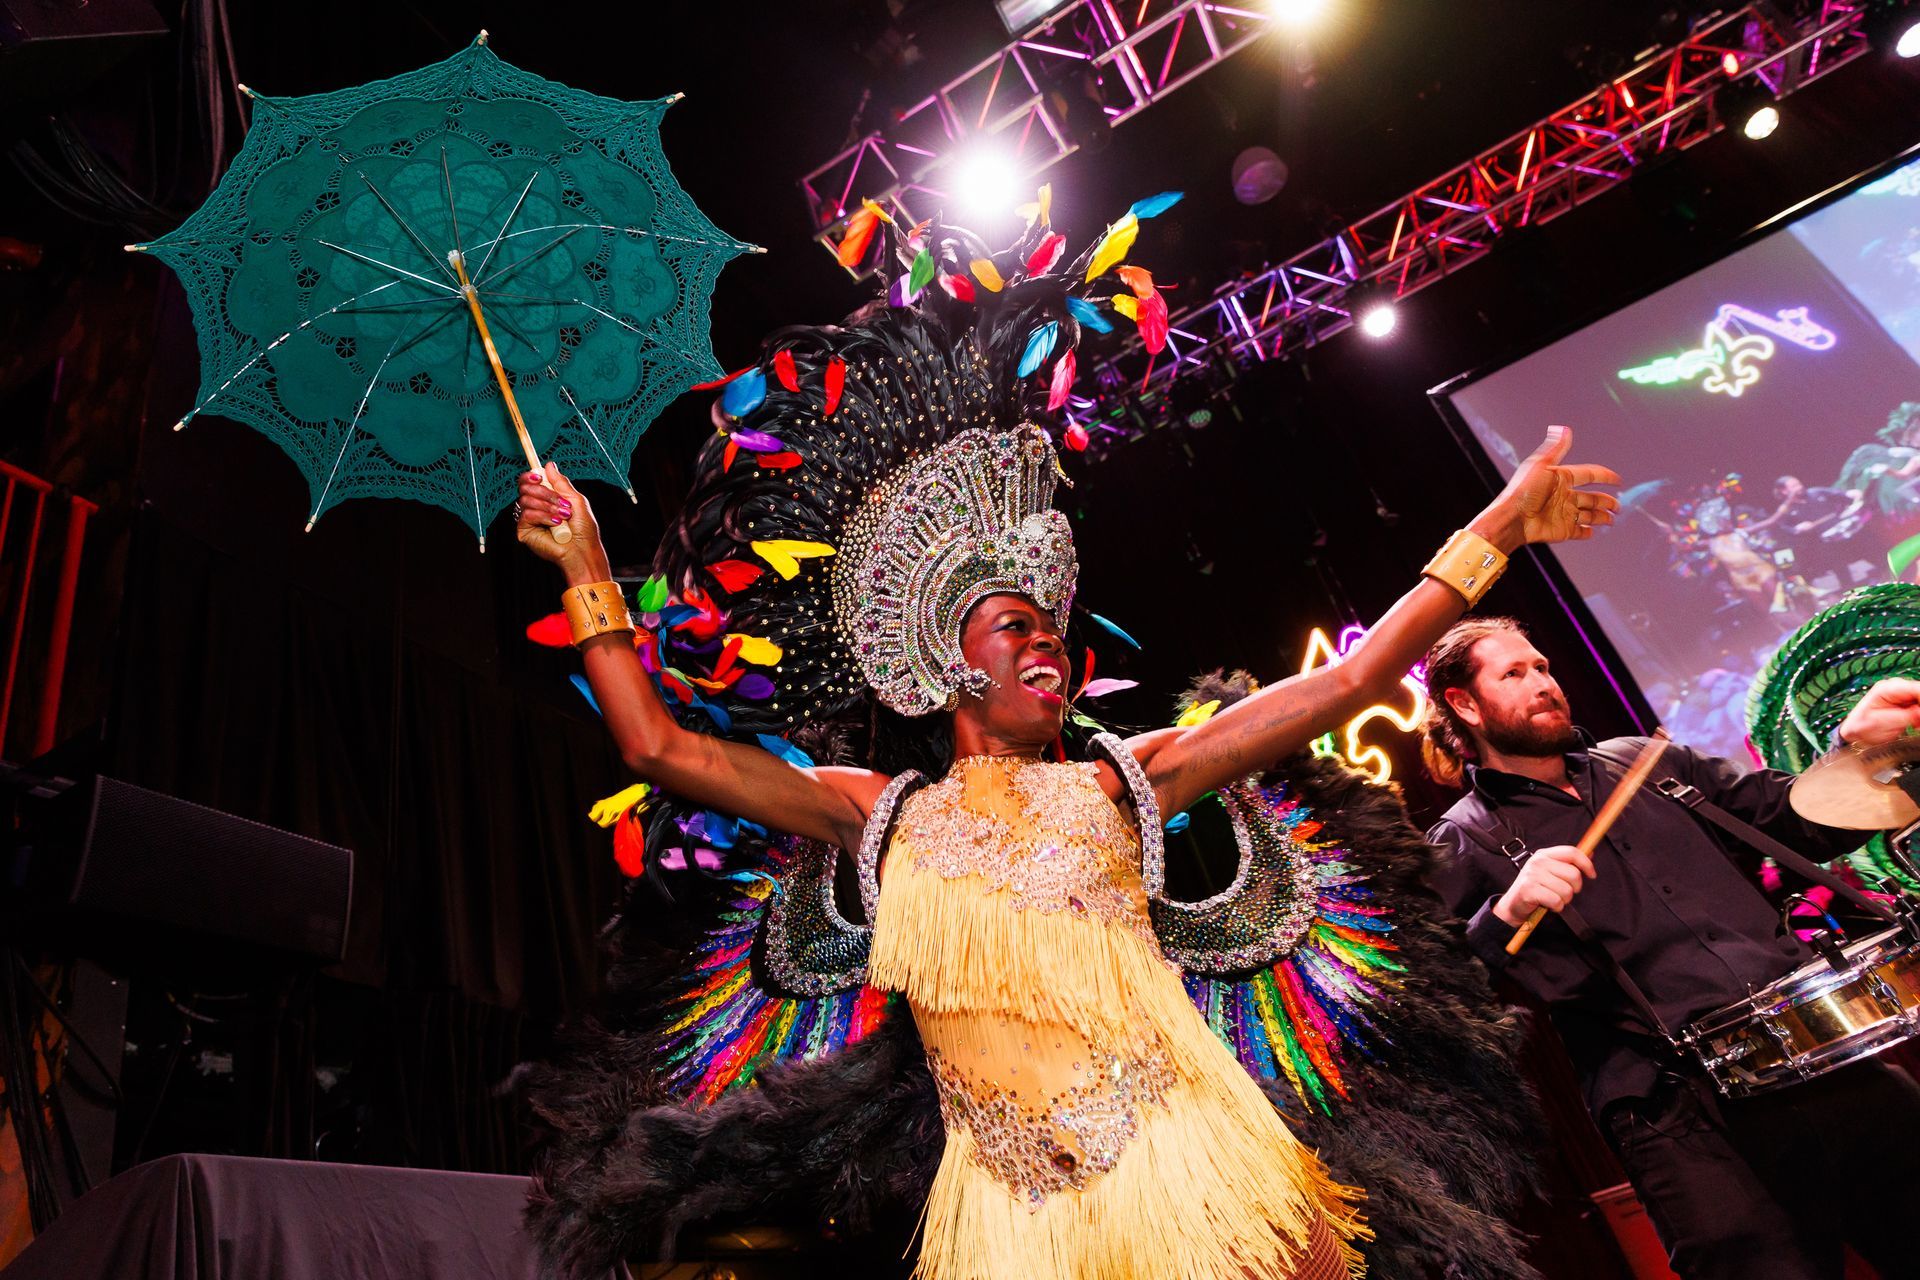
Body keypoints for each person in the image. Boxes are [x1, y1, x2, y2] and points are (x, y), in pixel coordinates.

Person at [509, 212, 1619, 1280]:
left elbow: (1355, 679)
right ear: (948, 661)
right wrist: (586, 567)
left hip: (1199, 1162)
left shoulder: (1127, 781)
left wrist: (1494, 533)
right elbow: (660, 747)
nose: (1048, 642)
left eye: (1053, 628)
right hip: (1012, 1214)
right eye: (1016, 627)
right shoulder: (878, 810)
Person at [1421, 615, 1920, 1280]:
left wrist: (1859, 751)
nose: (1542, 683)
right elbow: (1440, 996)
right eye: (1513, 674)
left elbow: (1795, 822)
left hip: (1819, 1054)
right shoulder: (1460, 843)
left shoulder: (1649, 763)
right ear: (1464, 703)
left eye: (1542, 666)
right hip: (1681, 1115)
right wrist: (1504, 911)